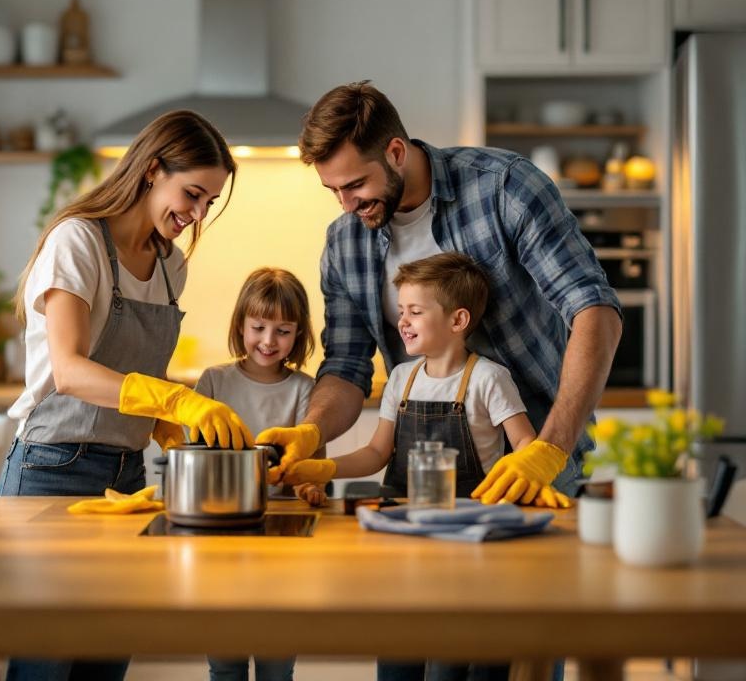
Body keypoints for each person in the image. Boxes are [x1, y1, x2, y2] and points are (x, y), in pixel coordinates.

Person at [258, 80, 622, 509]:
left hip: (537, 465)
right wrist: (312, 432)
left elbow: (594, 310)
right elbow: (346, 366)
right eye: (333, 190)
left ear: (395, 153)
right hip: (421, 485)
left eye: (355, 184)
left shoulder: (505, 188)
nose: (346, 205)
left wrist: (550, 450)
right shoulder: (344, 244)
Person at [0, 109, 255, 681]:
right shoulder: (78, 241)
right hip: (52, 468)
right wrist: (174, 401)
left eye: (208, 203)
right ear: (152, 170)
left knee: (105, 662)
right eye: (191, 194)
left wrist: (162, 422)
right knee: (45, 664)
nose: (194, 215)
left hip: (126, 480)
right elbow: (69, 371)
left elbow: (130, 377)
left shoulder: (171, 266)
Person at [291, 253, 530, 681]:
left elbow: (526, 447)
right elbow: (376, 454)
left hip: (467, 542)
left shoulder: (488, 379)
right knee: (398, 652)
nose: (403, 321)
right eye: (401, 311)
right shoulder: (401, 377)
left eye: (415, 311)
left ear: (458, 321)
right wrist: (317, 468)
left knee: (451, 659)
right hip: (402, 539)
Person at [195, 267, 316, 681]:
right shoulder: (213, 381)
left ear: (298, 334)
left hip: (283, 539)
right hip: (219, 536)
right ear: (241, 326)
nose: (268, 341)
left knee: (277, 665)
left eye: (283, 330)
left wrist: (307, 485)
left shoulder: (304, 389)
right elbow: (192, 453)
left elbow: (307, 470)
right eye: (259, 327)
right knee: (225, 663)